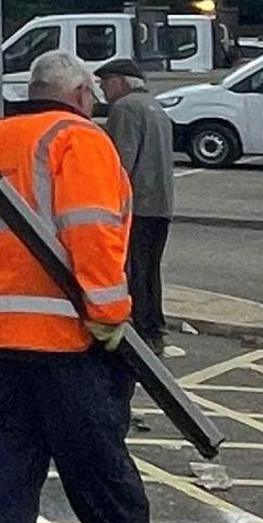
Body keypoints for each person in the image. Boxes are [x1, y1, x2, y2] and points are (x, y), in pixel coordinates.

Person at [0, 50, 207, 523]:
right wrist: (113, 317)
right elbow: (92, 233)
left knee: (5, 453)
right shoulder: (79, 139)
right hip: (64, 332)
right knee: (95, 458)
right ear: (82, 95)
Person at [94, 57, 174, 346]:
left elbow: (120, 161)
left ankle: (141, 331)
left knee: (133, 269)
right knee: (150, 268)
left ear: (120, 82)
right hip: (161, 202)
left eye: (105, 83)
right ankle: (155, 326)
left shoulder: (125, 108)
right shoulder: (155, 107)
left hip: (136, 203)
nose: (102, 90)